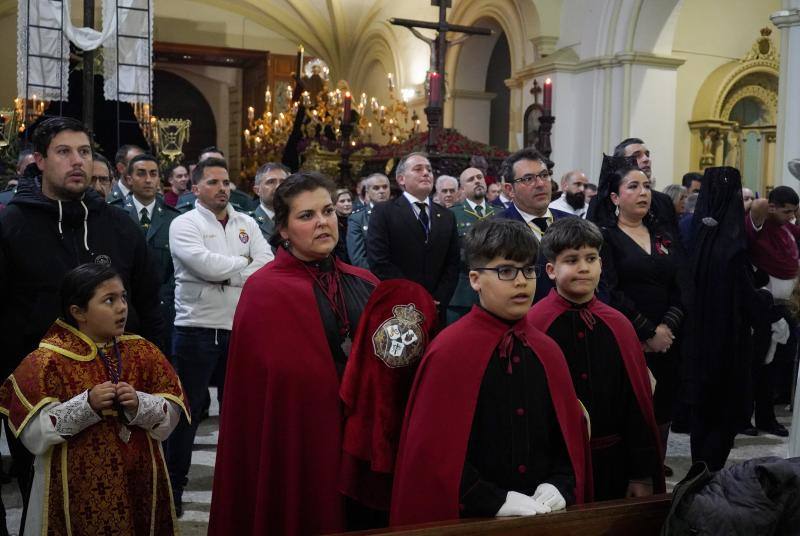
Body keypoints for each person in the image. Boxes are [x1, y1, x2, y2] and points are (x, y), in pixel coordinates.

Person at [0, 117, 164, 519]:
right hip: (40, 392)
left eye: (85, 152)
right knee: (44, 497)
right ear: (38, 160)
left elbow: (148, 303)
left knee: (124, 495)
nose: (78, 162)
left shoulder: (119, 226)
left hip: (120, 388)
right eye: (64, 152)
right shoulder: (11, 225)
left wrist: (155, 372)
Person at [209, 172, 381, 535]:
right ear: (283, 230)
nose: (323, 222)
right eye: (306, 216)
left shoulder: (365, 283)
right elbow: (260, 393)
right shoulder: (263, 291)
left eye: (328, 211)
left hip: (362, 442)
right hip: (297, 442)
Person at [390, 219, 590, 526]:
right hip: (471, 519)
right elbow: (433, 453)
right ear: (474, 279)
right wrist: (491, 499)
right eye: (506, 271)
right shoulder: (449, 351)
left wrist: (561, 483)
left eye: (528, 270)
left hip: (544, 517)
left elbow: (566, 437)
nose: (522, 281)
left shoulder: (547, 350)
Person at [0, 263, 187, 535]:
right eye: (109, 300)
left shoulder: (143, 351)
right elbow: (33, 436)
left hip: (140, 480)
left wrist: (139, 404)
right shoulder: (47, 360)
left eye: (123, 297)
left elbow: (171, 416)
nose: (122, 307)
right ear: (78, 312)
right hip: (72, 486)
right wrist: (85, 406)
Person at [529, 217, 665, 500]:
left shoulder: (619, 324)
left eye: (591, 258)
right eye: (572, 260)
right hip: (554, 469)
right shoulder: (535, 325)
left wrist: (641, 473)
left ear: (601, 265)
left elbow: (636, 404)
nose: (583, 267)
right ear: (551, 270)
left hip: (613, 462)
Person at [166, 157, 272, 515]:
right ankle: (174, 487)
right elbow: (203, 264)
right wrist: (242, 266)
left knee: (240, 411)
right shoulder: (184, 223)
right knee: (189, 412)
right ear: (196, 188)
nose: (223, 188)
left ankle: (240, 487)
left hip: (242, 326)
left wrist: (225, 273)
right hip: (196, 327)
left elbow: (267, 264)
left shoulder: (247, 222)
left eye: (226, 182)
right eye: (213, 182)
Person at [589, 154, 687, 476]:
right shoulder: (606, 237)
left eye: (647, 185)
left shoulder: (663, 236)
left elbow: (681, 284)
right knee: (630, 410)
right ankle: (632, 475)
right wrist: (647, 332)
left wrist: (666, 328)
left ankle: (655, 469)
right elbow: (609, 290)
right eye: (634, 186)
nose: (644, 192)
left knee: (663, 409)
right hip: (628, 340)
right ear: (615, 197)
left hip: (668, 341)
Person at [683, 166, 771, 470]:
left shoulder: (691, 235)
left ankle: (698, 470)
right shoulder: (733, 244)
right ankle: (710, 473)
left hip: (694, 339)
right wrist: (767, 299)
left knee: (701, 414)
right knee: (724, 411)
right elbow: (750, 300)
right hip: (727, 341)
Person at [367, 152, 460, 322]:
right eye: (418, 169)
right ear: (401, 179)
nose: (426, 173)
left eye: (429, 170)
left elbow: (452, 263)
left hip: (437, 308)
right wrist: (415, 297)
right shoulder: (384, 212)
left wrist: (439, 298)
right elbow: (379, 261)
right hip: (399, 307)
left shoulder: (447, 216)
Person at [111, 153, 182, 355]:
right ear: (128, 179)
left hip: (162, 308)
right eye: (141, 174)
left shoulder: (173, 218)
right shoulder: (115, 214)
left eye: (153, 174)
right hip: (124, 306)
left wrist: (165, 300)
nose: (148, 179)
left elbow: (177, 269)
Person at [494, 147, 573, 302]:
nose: (540, 184)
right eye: (528, 179)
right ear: (510, 190)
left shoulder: (572, 223)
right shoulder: (496, 229)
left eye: (544, 175)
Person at [447, 166, 495, 323]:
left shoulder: (500, 213)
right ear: (461, 189)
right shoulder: (452, 214)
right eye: (471, 179)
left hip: (496, 290)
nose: (477, 181)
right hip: (463, 294)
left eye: (479, 177)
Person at [175, 147, 255, 212]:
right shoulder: (185, 200)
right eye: (209, 162)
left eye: (219, 162)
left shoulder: (243, 200)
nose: (214, 166)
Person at [347, 173, 390, 269]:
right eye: (376, 188)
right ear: (367, 192)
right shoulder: (357, 219)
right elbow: (358, 258)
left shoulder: (399, 213)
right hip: (373, 277)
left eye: (385, 187)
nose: (382, 191)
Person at [250, 162, 289, 241]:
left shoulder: (295, 219)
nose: (278, 186)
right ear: (257, 190)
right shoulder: (248, 222)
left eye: (283, 182)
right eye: (271, 182)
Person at [334, 188, 354, 262]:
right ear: (334, 205)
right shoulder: (333, 223)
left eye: (349, 200)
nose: (347, 204)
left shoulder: (356, 220)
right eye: (342, 201)